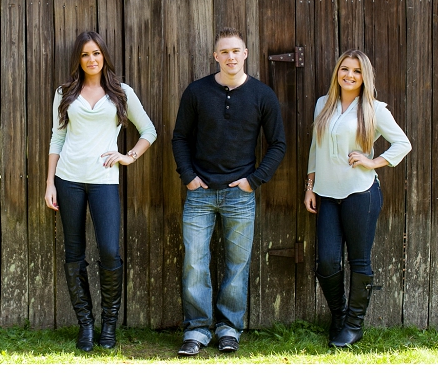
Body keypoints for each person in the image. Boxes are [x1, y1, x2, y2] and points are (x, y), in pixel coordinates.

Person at [172, 27, 286, 356]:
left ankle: (228, 329)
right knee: (195, 262)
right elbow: (179, 137)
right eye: (224, 52)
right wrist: (189, 176)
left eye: (236, 51)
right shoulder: (196, 92)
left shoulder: (262, 95)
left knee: (237, 265)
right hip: (200, 194)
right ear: (216, 56)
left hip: (241, 195)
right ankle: (196, 329)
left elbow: (278, 144)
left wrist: (255, 180)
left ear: (245, 53)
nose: (231, 57)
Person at [45, 31, 157, 352]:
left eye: (96, 53)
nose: (91, 59)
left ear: (104, 55)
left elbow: (148, 130)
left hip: (105, 181)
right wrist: (50, 182)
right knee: (74, 254)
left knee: (109, 251)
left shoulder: (121, 93)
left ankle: (109, 325)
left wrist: (128, 156)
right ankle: (86, 326)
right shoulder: (65, 93)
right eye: (84, 55)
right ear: (77, 60)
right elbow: (57, 138)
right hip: (68, 180)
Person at [304, 50, 411, 348]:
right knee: (326, 261)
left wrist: (372, 162)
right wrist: (309, 186)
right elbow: (316, 147)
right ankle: (339, 317)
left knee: (359, 260)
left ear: (365, 77)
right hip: (326, 194)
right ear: (337, 72)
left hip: (361, 194)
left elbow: (403, 143)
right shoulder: (323, 105)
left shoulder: (374, 109)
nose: (349, 75)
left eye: (356, 71)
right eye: (344, 69)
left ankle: (354, 325)